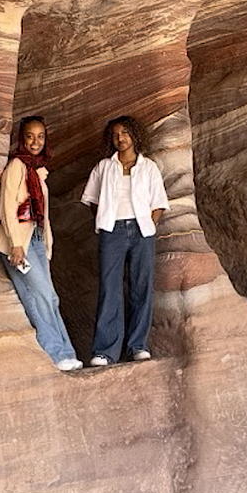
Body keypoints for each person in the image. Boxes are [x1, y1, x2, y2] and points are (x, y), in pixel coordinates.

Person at [0, 115, 82, 371]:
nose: (35, 141)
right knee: (40, 296)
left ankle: (68, 352)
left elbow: (43, 213)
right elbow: (7, 206)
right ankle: (57, 353)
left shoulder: (38, 171)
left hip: (37, 239)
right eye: (30, 136)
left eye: (40, 137)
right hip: (19, 241)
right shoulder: (17, 166)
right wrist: (15, 245)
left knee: (49, 298)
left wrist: (47, 245)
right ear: (22, 138)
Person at [81, 115, 168, 366]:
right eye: (116, 134)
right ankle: (105, 351)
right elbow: (91, 199)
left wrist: (150, 224)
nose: (121, 138)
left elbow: (159, 202)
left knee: (141, 287)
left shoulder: (149, 167)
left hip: (142, 231)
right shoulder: (103, 167)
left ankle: (138, 345)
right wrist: (105, 219)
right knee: (110, 289)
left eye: (125, 133)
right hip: (113, 231)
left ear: (135, 136)